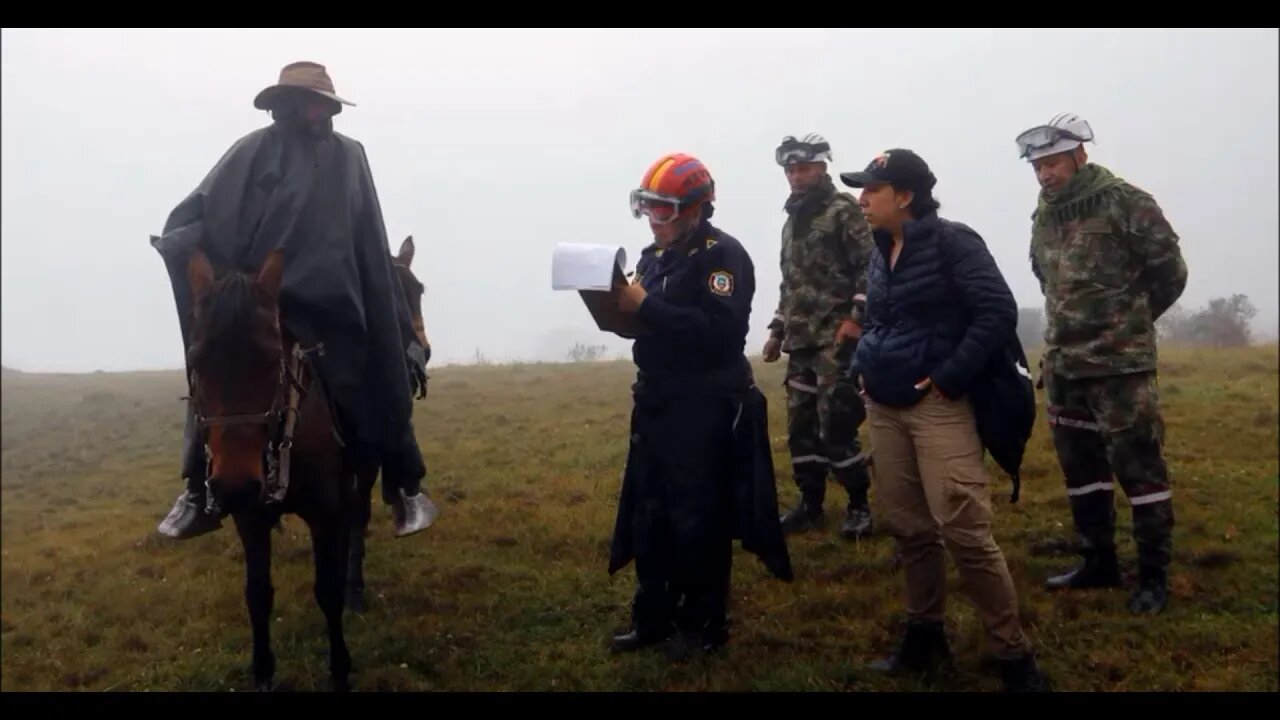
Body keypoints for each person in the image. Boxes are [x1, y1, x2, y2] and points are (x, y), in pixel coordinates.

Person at [151, 61, 437, 540]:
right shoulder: (248, 153)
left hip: (333, 305)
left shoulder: (350, 157)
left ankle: (403, 482)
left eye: (321, 103)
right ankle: (198, 489)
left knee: (379, 370)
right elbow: (197, 210)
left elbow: (366, 233)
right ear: (280, 104)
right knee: (217, 369)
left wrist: (373, 293)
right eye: (304, 101)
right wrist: (188, 245)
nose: (314, 111)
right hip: (262, 301)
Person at [842, 148, 1047, 691]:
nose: (861, 199)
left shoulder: (956, 242)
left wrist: (950, 376)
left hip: (939, 407)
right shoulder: (881, 246)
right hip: (884, 406)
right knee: (909, 528)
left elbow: (997, 311)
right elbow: (882, 318)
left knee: (964, 529)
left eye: (872, 190)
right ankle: (924, 636)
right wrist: (864, 367)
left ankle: (1013, 655)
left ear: (904, 196)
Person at [606, 152, 793, 662]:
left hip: (705, 403)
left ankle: (702, 623)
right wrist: (621, 311)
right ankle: (653, 616)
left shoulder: (721, 256)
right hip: (657, 398)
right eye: (647, 208)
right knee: (650, 511)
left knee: (698, 517)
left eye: (663, 209)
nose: (654, 219)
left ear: (695, 209)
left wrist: (646, 306)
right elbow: (652, 320)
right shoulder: (652, 256)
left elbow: (722, 332)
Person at [1017, 113, 1187, 614]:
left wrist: (1128, 321)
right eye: (1038, 166)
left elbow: (1169, 271)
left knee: (1140, 470)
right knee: (1081, 469)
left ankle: (1154, 576)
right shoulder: (1045, 213)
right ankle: (1098, 560)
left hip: (1120, 367)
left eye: (1053, 163)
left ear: (1079, 157)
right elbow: (1047, 278)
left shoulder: (1126, 202)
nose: (1045, 174)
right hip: (1066, 364)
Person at [765, 134, 876, 539]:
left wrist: (856, 318)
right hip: (800, 342)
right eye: (791, 170)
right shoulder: (791, 219)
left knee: (837, 426)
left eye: (804, 168)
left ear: (822, 168)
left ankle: (859, 505)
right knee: (801, 430)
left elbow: (869, 266)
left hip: (836, 339)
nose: (796, 176)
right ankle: (810, 504)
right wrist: (778, 329)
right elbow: (791, 282)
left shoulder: (843, 210)